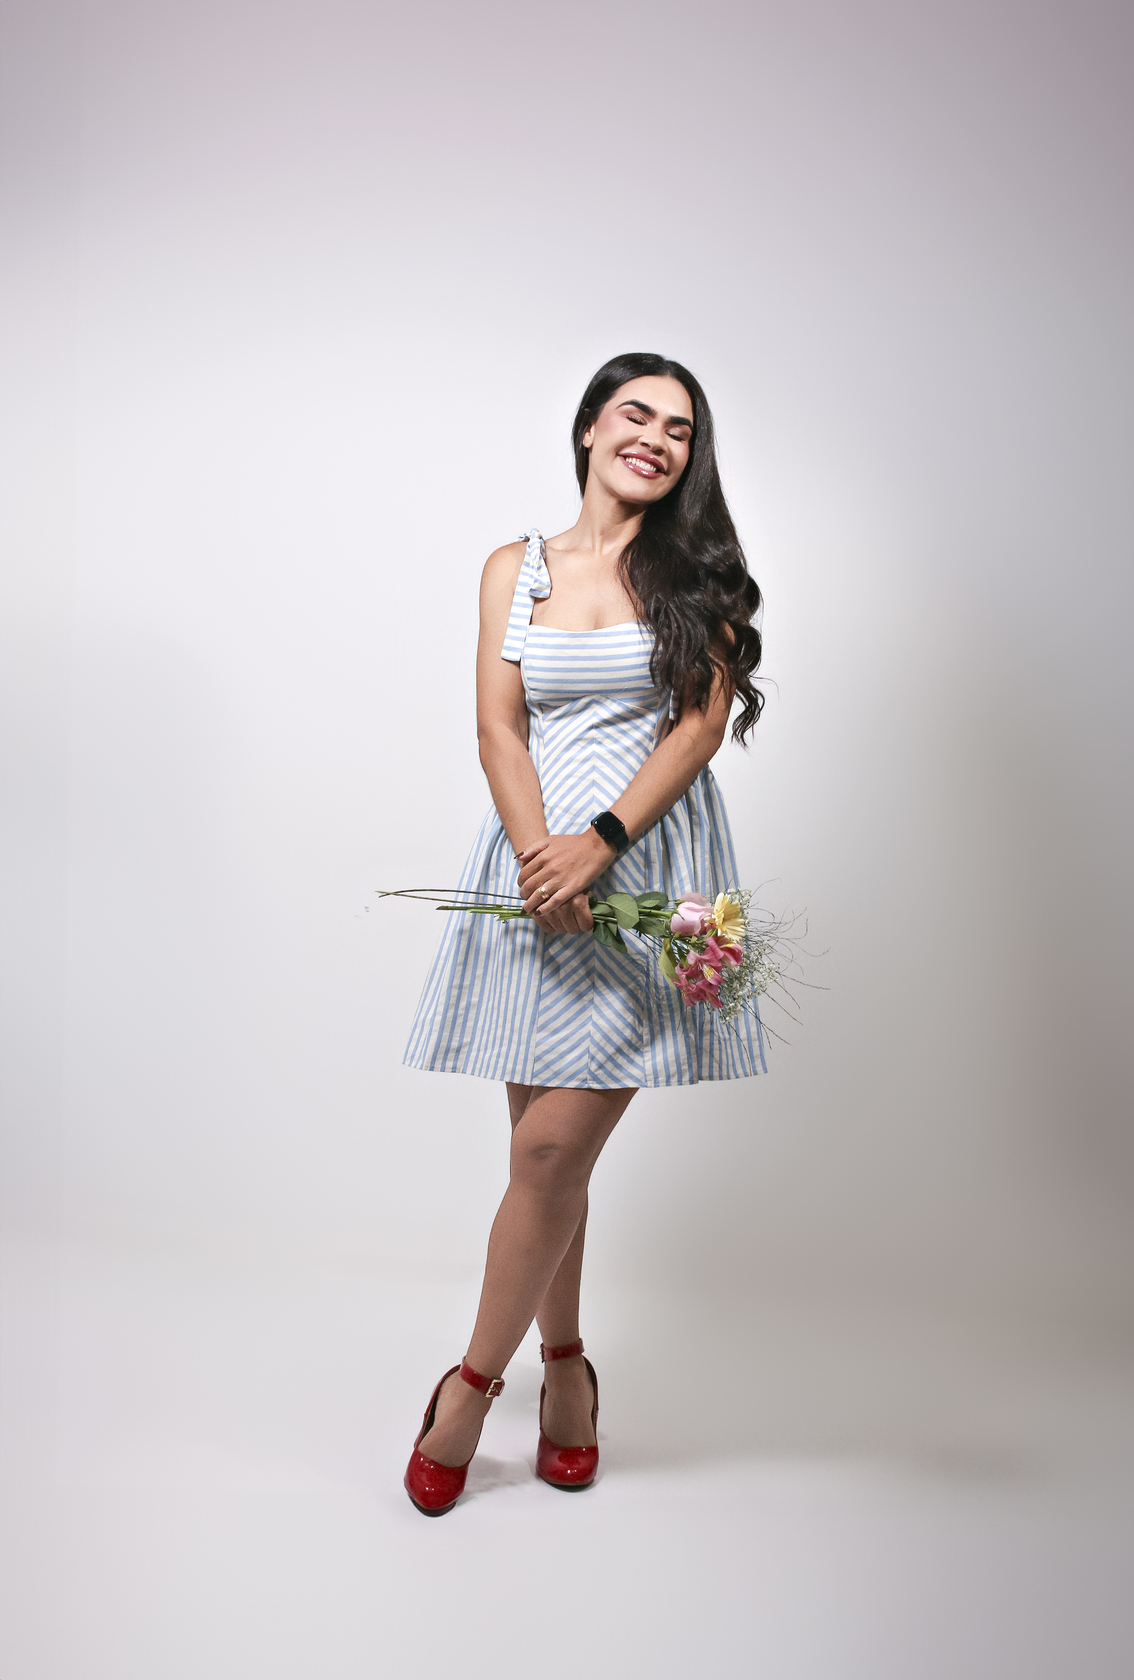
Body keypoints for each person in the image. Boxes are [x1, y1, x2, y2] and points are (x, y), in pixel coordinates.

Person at [401, 351, 766, 1515]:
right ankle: (567, 1368)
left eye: (678, 428)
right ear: (590, 429)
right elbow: (498, 730)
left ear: (689, 458)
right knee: (544, 1162)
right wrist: (538, 859)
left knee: (551, 1156)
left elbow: (698, 727)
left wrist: (600, 844)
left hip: (648, 870)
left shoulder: (697, 573)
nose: (655, 437)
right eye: (635, 414)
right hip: (533, 876)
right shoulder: (515, 568)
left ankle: (469, 1390)